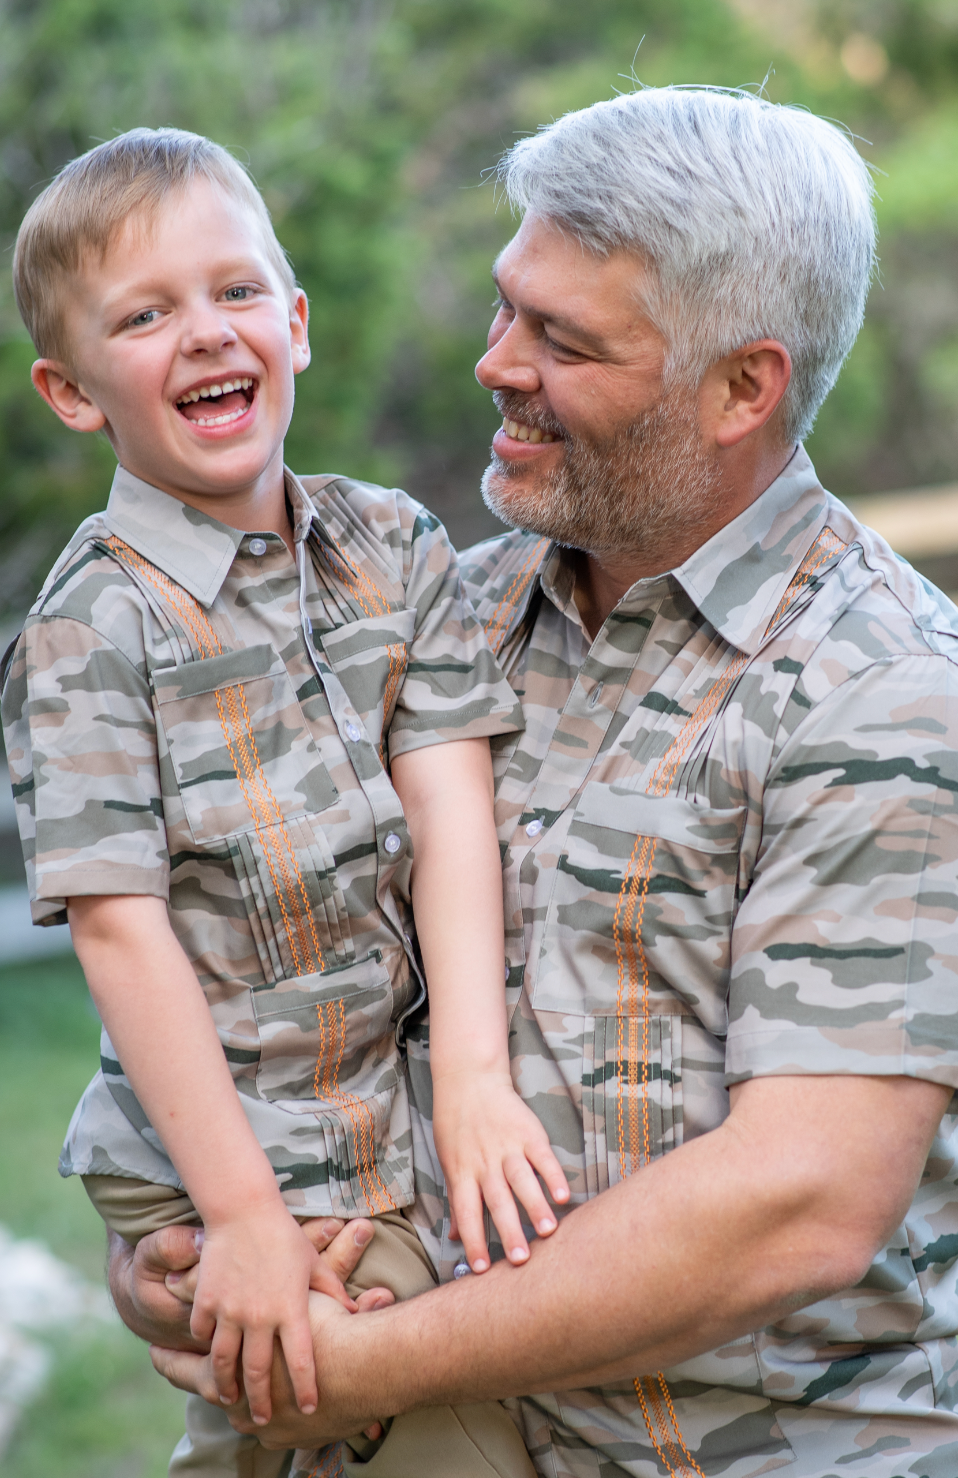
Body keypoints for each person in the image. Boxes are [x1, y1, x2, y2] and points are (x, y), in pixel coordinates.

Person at [118, 88, 958, 1478]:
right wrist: (198, 1252)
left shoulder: (890, 693)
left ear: (745, 385)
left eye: (564, 340)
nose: (495, 363)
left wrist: (355, 1361)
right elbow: (262, 974)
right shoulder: (425, 626)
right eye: (507, 308)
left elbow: (800, 1203)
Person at [0, 127, 575, 1478]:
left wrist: (478, 1086)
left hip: (378, 1108)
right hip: (216, 1142)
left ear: (297, 324)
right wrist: (241, 1211)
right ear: (73, 391)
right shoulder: (91, 630)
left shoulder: (392, 546)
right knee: (429, 1437)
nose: (205, 333)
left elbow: (449, 816)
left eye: (235, 291)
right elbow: (118, 932)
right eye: (144, 315)